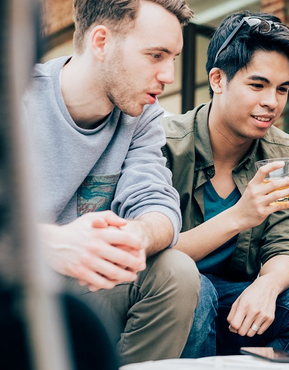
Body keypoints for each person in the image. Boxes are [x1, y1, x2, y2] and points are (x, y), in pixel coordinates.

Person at [25, 0, 197, 365]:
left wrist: (137, 236)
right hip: (13, 283)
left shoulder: (143, 116)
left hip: (84, 286)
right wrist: (50, 243)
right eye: (156, 55)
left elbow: (158, 204)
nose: (168, 75)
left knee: (175, 272)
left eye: (174, 59)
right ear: (101, 42)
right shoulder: (19, 97)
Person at [161, 12, 289, 357]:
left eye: (282, 89)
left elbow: (287, 247)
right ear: (217, 80)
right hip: (176, 294)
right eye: (257, 85)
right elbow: (152, 256)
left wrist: (268, 284)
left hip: (242, 297)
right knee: (196, 289)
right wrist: (240, 216)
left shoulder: (284, 153)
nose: (271, 102)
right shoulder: (166, 146)